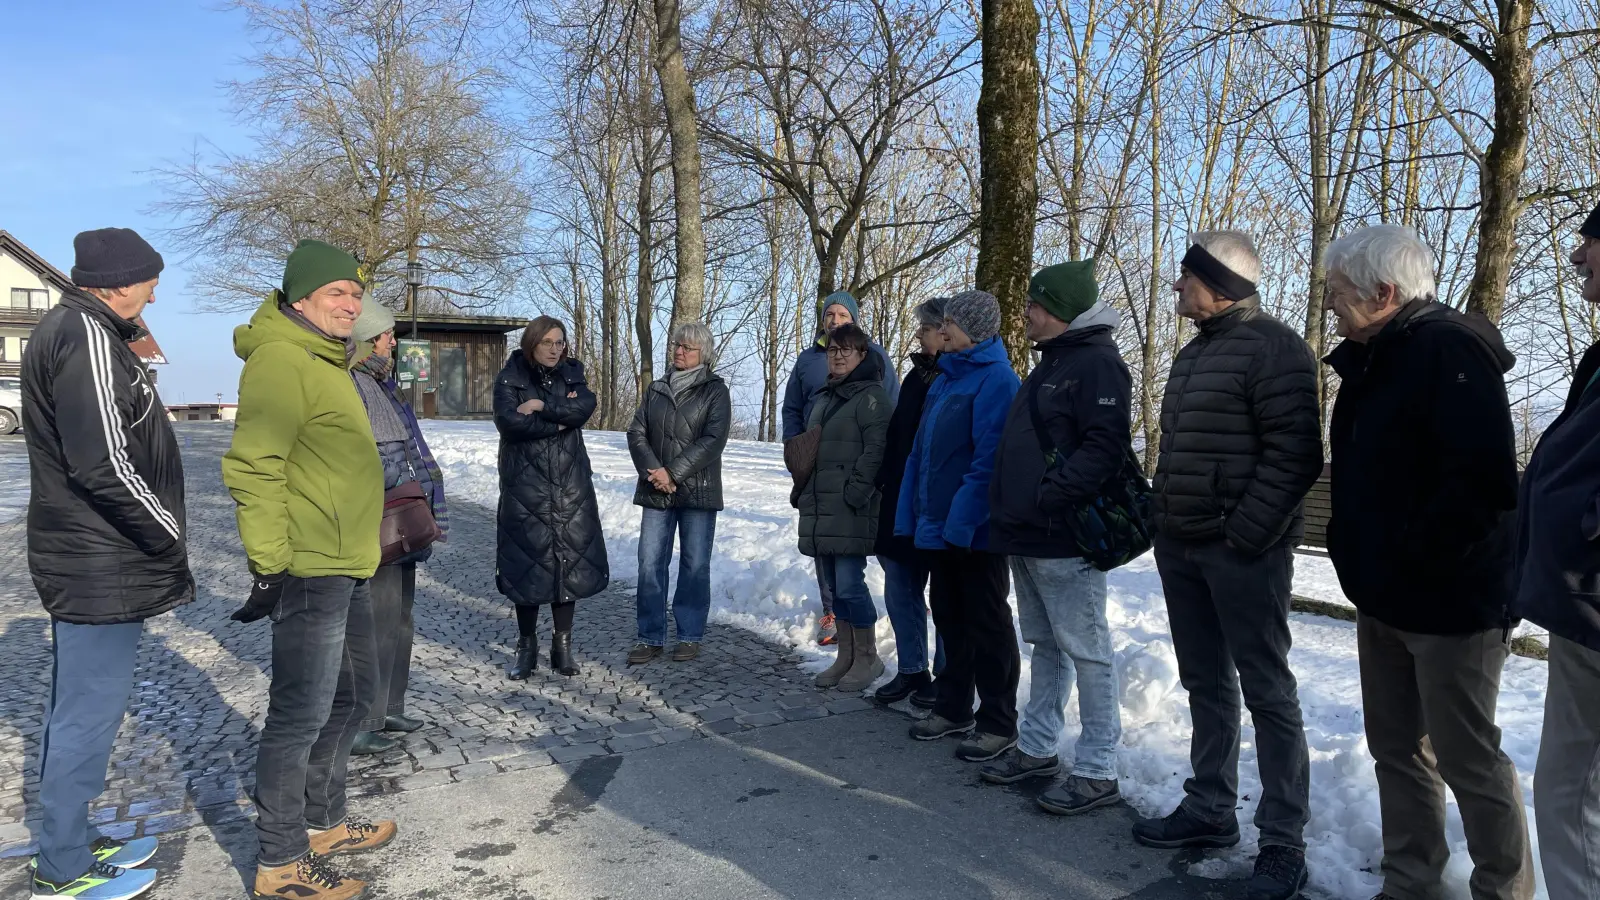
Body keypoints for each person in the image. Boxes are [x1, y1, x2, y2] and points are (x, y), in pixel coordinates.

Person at [1323, 225, 1532, 900]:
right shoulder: (1376, 353)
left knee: (1470, 761)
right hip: (1385, 595)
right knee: (1398, 751)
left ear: (1384, 293)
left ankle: (1504, 892)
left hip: (1452, 604)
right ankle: (1410, 882)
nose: (1330, 304)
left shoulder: (1447, 353)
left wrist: (1411, 555)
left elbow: (1484, 485)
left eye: (1340, 292)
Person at [1142, 231, 1322, 900]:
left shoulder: (1276, 348)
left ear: (1219, 282)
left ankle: (1282, 843)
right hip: (1183, 545)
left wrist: (1243, 535)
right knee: (1204, 683)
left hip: (1244, 552)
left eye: (1186, 276)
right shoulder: (1195, 354)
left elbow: (1295, 455)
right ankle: (1210, 809)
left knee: (1268, 691)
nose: (1177, 288)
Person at [223, 239, 392, 900]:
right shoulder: (281, 361)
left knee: (350, 698)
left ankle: (322, 823)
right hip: (309, 566)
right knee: (299, 714)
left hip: (348, 561)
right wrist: (270, 566)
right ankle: (280, 862)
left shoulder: (327, 360)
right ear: (301, 299)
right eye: (336, 294)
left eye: (355, 293)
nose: (350, 303)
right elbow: (253, 464)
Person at [23, 228, 188, 900]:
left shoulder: (78, 328)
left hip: (92, 557)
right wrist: (166, 533)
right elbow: (103, 462)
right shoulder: (87, 335)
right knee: (87, 713)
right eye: (149, 278)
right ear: (115, 282)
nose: (155, 289)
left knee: (81, 710)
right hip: (98, 560)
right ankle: (61, 868)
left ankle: (75, 837)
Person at [979, 258, 1130, 817]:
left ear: (1062, 312)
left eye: (1035, 306)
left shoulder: (1097, 364)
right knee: (1046, 645)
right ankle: (1038, 746)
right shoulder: (1055, 361)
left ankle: (1096, 769)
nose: (1026, 314)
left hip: (1064, 535)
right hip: (1029, 534)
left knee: (1088, 653)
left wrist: (1050, 494)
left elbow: (1104, 446)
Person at [1513, 202, 1600, 900]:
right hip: (1582, 609)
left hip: (1595, 607)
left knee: (1574, 802)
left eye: (1589, 242)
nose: (1576, 257)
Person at [897, 290, 1022, 762]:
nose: (941, 329)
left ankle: (998, 721)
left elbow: (989, 462)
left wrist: (961, 523)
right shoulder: (945, 380)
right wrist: (912, 515)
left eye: (950, 323)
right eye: (942, 322)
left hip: (974, 532)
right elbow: (920, 454)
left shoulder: (997, 381)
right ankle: (953, 707)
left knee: (986, 623)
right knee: (948, 616)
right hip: (937, 526)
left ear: (976, 330)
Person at [346, 301, 450, 756]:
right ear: (368, 338)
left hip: (404, 517)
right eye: (387, 335)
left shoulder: (383, 384)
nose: (394, 342)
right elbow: (366, 458)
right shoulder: (353, 384)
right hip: (378, 520)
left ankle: (390, 705)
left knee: (400, 620)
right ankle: (363, 717)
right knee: (374, 621)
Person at [494, 316, 609, 679]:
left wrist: (542, 407)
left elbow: (584, 408)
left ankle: (563, 647)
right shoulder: (510, 376)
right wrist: (561, 417)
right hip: (525, 486)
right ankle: (526, 646)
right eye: (548, 342)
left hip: (569, 483)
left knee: (567, 564)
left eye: (560, 342)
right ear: (532, 342)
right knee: (528, 564)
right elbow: (510, 423)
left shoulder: (572, 372)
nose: (555, 349)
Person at [783, 290, 899, 645]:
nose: (835, 322)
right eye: (830, 314)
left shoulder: (875, 360)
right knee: (826, 551)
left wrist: (863, 482)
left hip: (855, 476)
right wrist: (796, 449)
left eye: (842, 316)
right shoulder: (808, 360)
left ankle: (874, 638)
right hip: (817, 475)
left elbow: (887, 415)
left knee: (855, 567)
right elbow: (792, 409)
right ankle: (837, 629)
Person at [626, 322, 731, 664]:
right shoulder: (656, 389)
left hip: (698, 491)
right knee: (649, 563)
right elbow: (636, 433)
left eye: (688, 348)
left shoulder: (715, 390)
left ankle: (689, 635)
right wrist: (656, 473)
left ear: (704, 354)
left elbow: (713, 440)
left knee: (694, 564)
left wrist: (673, 473)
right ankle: (649, 636)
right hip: (655, 489)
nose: (680, 352)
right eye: (677, 346)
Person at [797, 323, 893, 692]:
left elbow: (875, 451)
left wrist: (855, 493)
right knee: (836, 589)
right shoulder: (825, 396)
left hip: (851, 507)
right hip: (822, 505)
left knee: (851, 585)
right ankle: (846, 656)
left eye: (846, 350)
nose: (837, 356)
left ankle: (867, 657)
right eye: (833, 350)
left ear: (862, 356)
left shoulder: (871, 397)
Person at [872, 298, 948, 707]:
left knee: (945, 595)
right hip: (901, 499)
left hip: (938, 505)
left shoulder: (956, 377)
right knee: (900, 588)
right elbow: (898, 436)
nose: (918, 334)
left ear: (945, 330)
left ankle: (947, 677)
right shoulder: (916, 377)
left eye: (924, 328)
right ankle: (911, 669)